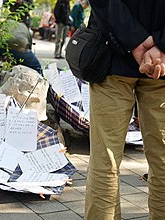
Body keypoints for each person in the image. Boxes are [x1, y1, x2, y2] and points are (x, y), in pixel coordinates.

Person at [85, 1, 165, 219]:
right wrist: (160, 46)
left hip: (112, 57)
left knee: (105, 160)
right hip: (162, 64)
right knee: (164, 161)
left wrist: (138, 41)